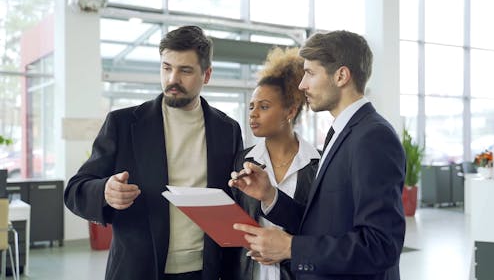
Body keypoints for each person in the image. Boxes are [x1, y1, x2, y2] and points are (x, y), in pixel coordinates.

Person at [64, 25, 243, 280]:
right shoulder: (123, 123)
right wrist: (105, 191)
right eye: (166, 67)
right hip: (138, 270)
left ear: (207, 74)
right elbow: (75, 190)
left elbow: (233, 198)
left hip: (205, 271)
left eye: (185, 70)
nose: (172, 79)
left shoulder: (228, 129)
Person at [229, 30, 406, 280]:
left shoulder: (373, 138)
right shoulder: (342, 133)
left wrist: (290, 248)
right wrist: (270, 196)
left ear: (341, 76)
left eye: (310, 73)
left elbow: (380, 246)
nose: (302, 85)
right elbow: (323, 223)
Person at [229, 47, 320, 280]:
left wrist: (287, 251)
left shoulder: (319, 164)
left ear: (290, 110)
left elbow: (322, 230)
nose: (253, 114)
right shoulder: (243, 160)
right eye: (251, 106)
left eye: (264, 106)